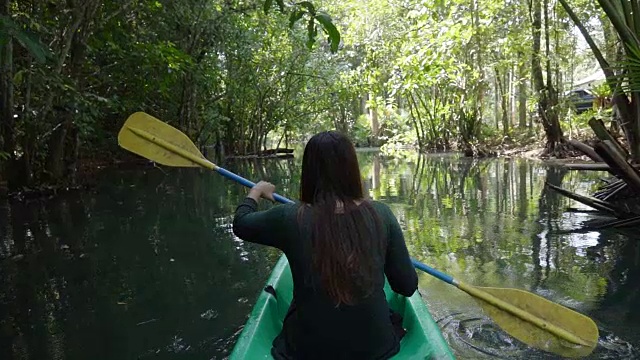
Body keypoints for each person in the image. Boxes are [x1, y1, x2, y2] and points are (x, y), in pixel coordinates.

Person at [232, 130, 418, 360]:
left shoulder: (289, 217)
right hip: (375, 348)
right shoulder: (381, 214)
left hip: (307, 350)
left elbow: (241, 224)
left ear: (309, 171)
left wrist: (256, 191)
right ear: (352, 169)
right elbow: (407, 286)